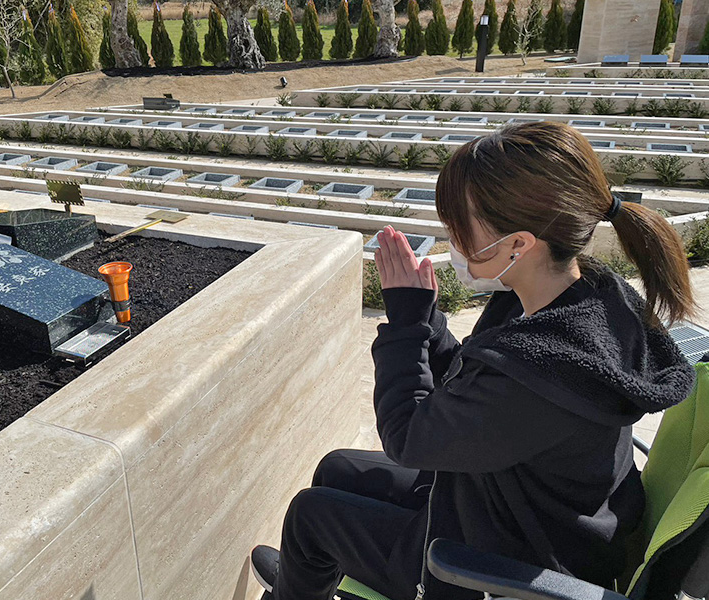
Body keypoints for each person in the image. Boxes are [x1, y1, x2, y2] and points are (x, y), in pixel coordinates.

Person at [250, 121, 699, 600]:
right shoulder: (582, 294)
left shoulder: (542, 366)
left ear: (519, 243)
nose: (453, 242)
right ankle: (311, 577)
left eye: (461, 230)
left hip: (504, 561)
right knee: (337, 468)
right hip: (526, 508)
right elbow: (472, 379)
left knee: (309, 517)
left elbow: (408, 437)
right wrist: (426, 319)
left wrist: (404, 327)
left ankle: (302, 580)